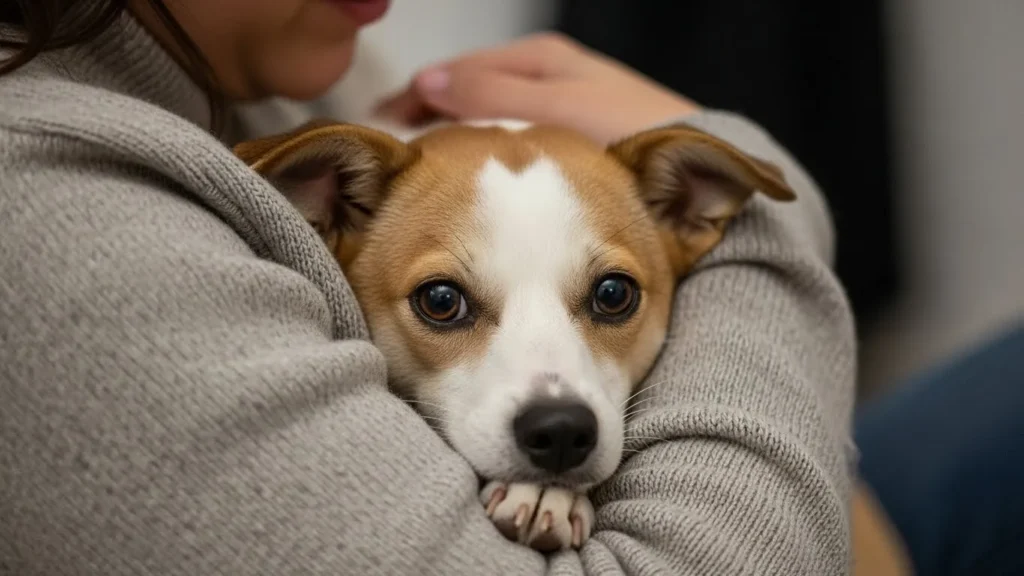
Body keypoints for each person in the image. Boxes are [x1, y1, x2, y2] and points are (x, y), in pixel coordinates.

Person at [0, 1, 856, 574]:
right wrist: (771, 235)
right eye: (445, 303)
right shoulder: (58, 216)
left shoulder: (305, 71)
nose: (557, 405)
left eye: (610, 299)